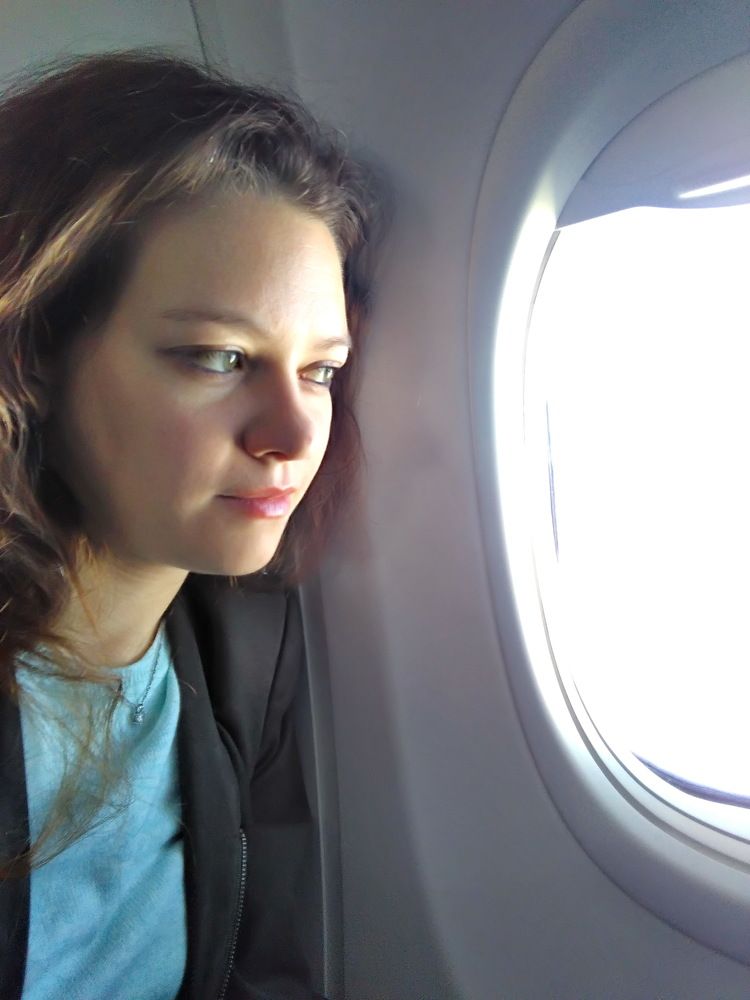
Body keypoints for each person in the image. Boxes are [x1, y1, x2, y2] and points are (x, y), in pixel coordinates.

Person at [0, 48, 374, 1000]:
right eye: (218, 358)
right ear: (36, 353)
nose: (293, 434)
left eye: (320, 371)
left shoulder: (250, 644)